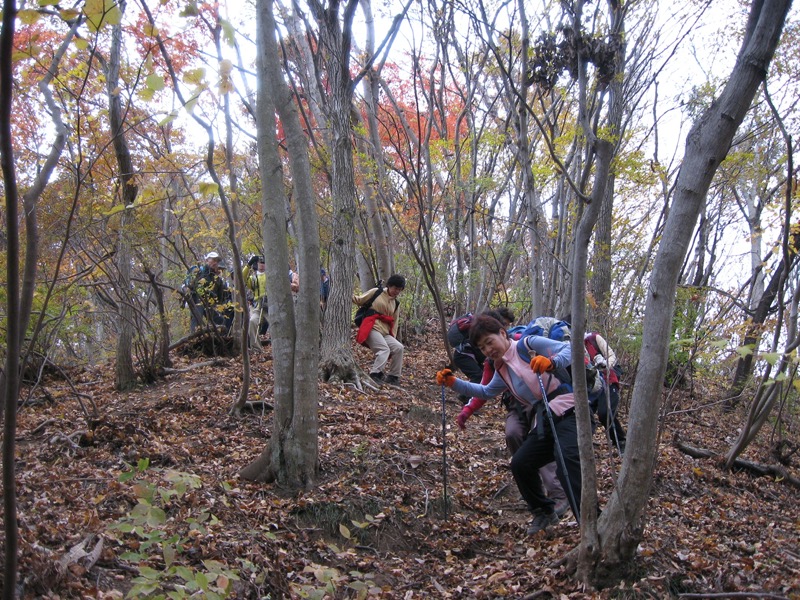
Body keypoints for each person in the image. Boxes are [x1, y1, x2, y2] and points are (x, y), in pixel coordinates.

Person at [437, 314, 579, 535]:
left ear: (502, 334)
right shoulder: (501, 367)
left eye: (489, 342)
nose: (488, 349)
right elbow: (484, 391)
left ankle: (588, 519)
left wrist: (552, 362)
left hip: (570, 409)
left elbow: (570, 349)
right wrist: (453, 383)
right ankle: (543, 512)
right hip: (545, 417)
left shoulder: (528, 344)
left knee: (567, 460)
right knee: (520, 463)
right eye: (482, 348)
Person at [447, 308, 515, 403]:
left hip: (465, 354)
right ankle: (466, 399)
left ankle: (467, 399)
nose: (506, 326)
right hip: (462, 356)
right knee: (478, 376)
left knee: (480, 375)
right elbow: (486, 392)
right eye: (506, 323)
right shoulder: (486, 327)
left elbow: (486, 391)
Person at [353, 274, 406, 385]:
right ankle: (375, 374)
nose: (397, 291)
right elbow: (359, 300)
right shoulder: (376, 292)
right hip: (371, 328)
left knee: (399, 347)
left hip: (385, 332)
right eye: (395, 288)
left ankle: (393, 377)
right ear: (390, 285)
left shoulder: (396, 303)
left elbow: (394, 322)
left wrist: (393, 337)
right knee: (384, 349)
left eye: (399, 290)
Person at [584, 331, 627, 454]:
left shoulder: (593, 338)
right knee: (584, 415)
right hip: (589, 388)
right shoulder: (568, 347)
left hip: (608, 381)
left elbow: (611, 355)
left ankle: (621, 441)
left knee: (605, 413)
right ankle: (584, 446)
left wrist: (605, 365)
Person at [182, 251, 229, 333]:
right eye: (213, 260)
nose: (215, 262)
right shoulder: (198, 270)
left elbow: (221, 297)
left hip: (210, 303)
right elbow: (188, 284)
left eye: (217, 261)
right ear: (207, 260)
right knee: (197, 318)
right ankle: (195, 338)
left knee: (220, 320)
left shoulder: (217, 279)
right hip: (197, 299)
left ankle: (220, 340)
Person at [243, 255, 269, 350]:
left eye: (264, 263)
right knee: (252, 322)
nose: (262, 265)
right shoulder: (253, 278)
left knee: (276, 325)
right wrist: (248, 265)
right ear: (256, 264)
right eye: (260, 262)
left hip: (271, 306)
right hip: (258, 306)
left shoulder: (271, 275)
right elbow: (241, 277)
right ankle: (256, 349)